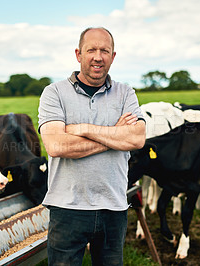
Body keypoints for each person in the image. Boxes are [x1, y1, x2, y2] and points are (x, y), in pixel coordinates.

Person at [38, 27, 146, 266]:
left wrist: (83, 129)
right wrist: (115, 135)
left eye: (104, 51)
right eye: (91, 50)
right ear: (78, 54)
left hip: (113, 206)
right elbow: (56, 145)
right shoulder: (54, 93)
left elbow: (137, 139)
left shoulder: (125, 93)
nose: (98, 57)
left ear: (113, 56)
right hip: (67, 207)